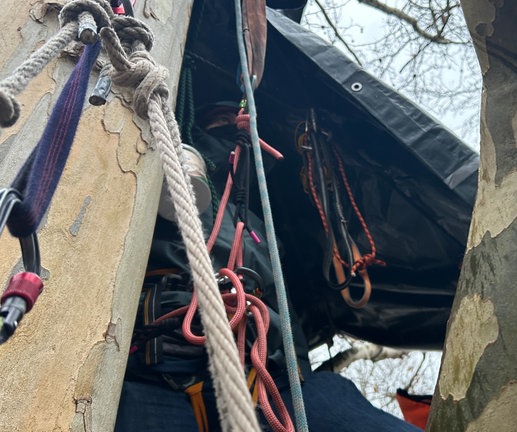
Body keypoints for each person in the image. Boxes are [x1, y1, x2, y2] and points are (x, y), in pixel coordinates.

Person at [114, 102, 421, 432]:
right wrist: (222, 142)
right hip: (156, 366)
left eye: (236, 120)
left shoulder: (263, 228)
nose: (232, 125)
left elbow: (285, 312)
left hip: (264, 378)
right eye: (220, 119)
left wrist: (297, 375)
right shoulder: (171, 182)